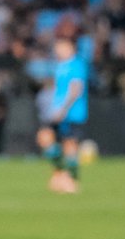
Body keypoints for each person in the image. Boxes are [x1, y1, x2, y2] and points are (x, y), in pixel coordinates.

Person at [37, 34, 89, 194]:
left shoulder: (77, 64)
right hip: (57, 112)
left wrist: (63, 109)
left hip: (72, 113)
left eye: (60, 46)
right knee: (44, 138)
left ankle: (72, 180)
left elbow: (76, 89)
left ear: (69, 47)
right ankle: (60, 173)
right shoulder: (60, 66)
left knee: (70, 145)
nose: (57, 49)